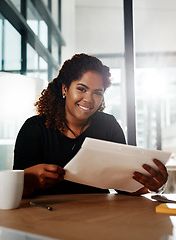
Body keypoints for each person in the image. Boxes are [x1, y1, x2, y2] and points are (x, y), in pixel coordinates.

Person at [13, 53, 168, 196]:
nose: (89, 99)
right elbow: (15, 190)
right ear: (65, 89)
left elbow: (124, 187)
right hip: (46, 216)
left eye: (97, 92)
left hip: (99, 216)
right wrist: (28, 179)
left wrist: (154, 186)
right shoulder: (34, 128)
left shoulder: (109, 125)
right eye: (81, 89)